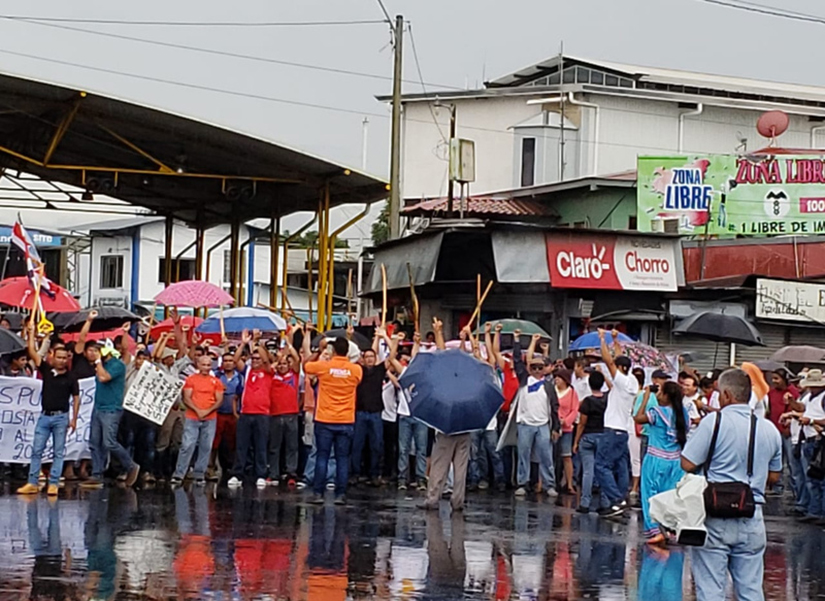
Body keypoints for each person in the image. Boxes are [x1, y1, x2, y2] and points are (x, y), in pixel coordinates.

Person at [681, 368, 782, 601]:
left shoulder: (712, 422)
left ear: (726, 395)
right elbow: (774, 477)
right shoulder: (769, 429)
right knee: (751, 590)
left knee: (711, 590)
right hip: (752, 515)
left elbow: (687, 464)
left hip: (715, 514)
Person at [418, 317, 476, 512]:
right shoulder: (471, 382)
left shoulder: (446, 381)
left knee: (439, 465)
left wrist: (439, 332)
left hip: (447, 426)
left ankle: (433, 498)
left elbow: (441, 359)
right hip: (466, 425)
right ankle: (458, 500)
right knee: (461, 468)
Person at [16, 323, 80, 496]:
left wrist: (74, 418)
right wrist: (30, 334)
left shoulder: (71, 377)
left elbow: (76, 397)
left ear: (67, 358)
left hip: (61, 417)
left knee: (58, 452)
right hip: (44, 417)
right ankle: (32, 482)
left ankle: (53, 483)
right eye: (58, 357)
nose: (61, 360)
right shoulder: (46, 369)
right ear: (52, 356)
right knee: (37, 450)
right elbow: (31, 352)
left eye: (64, 358)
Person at [303, 331, 363, 505]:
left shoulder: (324, 366)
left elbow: (306, 366)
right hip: (346, 420)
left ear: (334, 351)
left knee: (322, 456)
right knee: (342, 458)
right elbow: (358, 378)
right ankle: (340, 494)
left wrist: (318, 351)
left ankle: (318, 493)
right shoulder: (355, 370)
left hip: (325, 418)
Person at [634, 380, 689, 545]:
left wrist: (645, 397)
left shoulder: (657, 412)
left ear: (666, 396)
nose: (657, 395)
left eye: (660, 392)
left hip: (655, 458)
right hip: (675, 461)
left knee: (649, 495)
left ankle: (655, 530)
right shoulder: (683, 414)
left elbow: (637, 418)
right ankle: (670, 529)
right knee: (670, 497)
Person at [81, 340, 139, 489]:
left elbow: (104, 378)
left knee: (109, 442)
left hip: (111, 409)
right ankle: (97, 474)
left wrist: (99, 363)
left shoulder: (117, 365)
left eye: (97, 351)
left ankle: (130, 465)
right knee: (94, 442)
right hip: (98, 407)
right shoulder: (101, 365)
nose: (94, 354)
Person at [595, 328, 639, 517]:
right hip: (623, 431)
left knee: (601, 466)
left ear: (620, 369)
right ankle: (620, 500)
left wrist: (603, 340)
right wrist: (615, 340)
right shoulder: (632, 380)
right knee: (620, 468)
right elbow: (619, 359)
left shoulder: (621, 380)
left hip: (613, 430)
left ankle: (616, 499)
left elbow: (609, 360)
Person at [512, 331, 561, 497]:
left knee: (546, 456)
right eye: (534, 367)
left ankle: (549, 484)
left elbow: (555, 407)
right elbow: (517, 361)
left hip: (542, 425)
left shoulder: (548, 385)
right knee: (523, 455)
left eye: (540, 367)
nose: (537, 370)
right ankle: (522, 483)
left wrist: (556, 428)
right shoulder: (525, 380)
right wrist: (517, 340)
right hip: (525, 424)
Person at [351, 327, 396, 485]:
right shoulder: (358, 370)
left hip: (376, 413)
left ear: (375, 358)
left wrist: (384, 337)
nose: (370, 359)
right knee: (357, 446)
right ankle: (356, 473)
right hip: (360, 413)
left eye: (372, 356)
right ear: (363, 359)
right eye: (367, 356)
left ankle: (374, 474)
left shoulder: (379, 370)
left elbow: (393, 354)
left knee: (376, 445)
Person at [171, 355, 225, 486]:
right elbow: (186, 397)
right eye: (203, 364)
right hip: (192, 416)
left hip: (210, 417)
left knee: (206, 446)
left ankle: (199, 474)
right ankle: (179, 474)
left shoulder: (216, 381)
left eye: (208, 365)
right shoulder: (191, 379)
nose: (206, 367)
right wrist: (197, 410)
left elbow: (219, 400)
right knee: (187, 445)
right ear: (198, 365)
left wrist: (207, 411)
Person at [228, 330, 272, 489]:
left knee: (260, 446)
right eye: (253, 358)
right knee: (241, 445)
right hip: (246, 413)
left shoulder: (268, 372)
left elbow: (267, 359)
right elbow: (235, 359)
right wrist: (244, 343)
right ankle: (237, 474)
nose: (255, 361)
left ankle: (260, 474)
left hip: (262, 414)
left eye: (257, 359)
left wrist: (257, 342)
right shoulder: (247, 371)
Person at [268, 335, 301, 486]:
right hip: (274, 415)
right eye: (280, 364)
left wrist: (289, 344)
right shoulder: (272, 376)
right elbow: (267, 363)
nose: (282, 366)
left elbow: (297, 359)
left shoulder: (293, 375)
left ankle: (291, 473)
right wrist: (276, 361)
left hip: (291, 415)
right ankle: (273, 474)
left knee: (291, 446)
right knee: (274, 447)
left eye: (284, 364)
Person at [573, 371, 607, 513]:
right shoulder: (607, 400)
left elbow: (581, 423)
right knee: (604, 470)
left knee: (588, 471)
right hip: (604, 436)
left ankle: (585, 503)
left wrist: (576, 441)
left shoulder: (587, 401)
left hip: (588, 436)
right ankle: (605, 501)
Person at [208, 352, 243, 481]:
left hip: (233, 413)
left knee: (232, 441)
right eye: (226, 361)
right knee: (215, 441)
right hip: (218, 412)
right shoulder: (216, 376)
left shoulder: (240, 377)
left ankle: (231, 467)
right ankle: (210, 466)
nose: (228, 363)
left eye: (230, 361)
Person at [767, 370, 801, 499]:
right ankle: (777, 487)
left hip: (788, 431)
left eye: (777, 378)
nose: (774, 381)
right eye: (773, 378)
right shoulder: (771, 392)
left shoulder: (792, 392)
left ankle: (796, 491)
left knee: (792, 463)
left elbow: (798, 409)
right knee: (776, 460)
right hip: (775, 430)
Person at [555, 367, 580, 495]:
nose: (556, 380)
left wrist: (566, 421)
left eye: (559, 378)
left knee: (566, 455)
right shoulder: (552, 391)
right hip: (553, 426)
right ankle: (544, 482)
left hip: (566, 428)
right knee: (548, 455)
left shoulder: (571, 392)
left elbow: (575, 409)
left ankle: (569, 484)